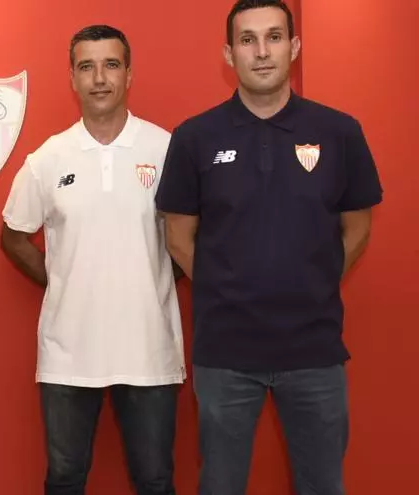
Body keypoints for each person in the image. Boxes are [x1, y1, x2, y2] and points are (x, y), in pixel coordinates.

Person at [154, 1, 383, 494]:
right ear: (228, 54)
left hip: (315, 351)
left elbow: (358, 228)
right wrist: (229, 292)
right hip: (225, 353)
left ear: (294, 47)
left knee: (323, 485)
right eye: (248, 39)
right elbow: (178, 237)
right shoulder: (194, 137)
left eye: (274, 37)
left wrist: (311, 285)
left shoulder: (339, 132)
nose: (261, 51)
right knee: (220, 485)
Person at [0, 24, 185, 495]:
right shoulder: (48, 158)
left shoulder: (166, 150)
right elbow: (13, 237)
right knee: (64, 479)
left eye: (111, 65)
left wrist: (158, 275)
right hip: (69, 352)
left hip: (148, 349)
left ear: (129, 74)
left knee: (155, 480)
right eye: (87, 67)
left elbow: (192, 236)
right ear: (72, 78)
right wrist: (63, 279)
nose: (99, 78)